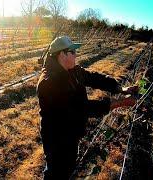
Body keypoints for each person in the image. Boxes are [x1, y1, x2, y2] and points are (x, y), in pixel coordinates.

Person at [37, 36, 137, 179]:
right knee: (56, 171)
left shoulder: (73, 70)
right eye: (72, 52)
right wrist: (119, 103)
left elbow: (93, 78)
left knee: (69, 166)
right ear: (62, 54)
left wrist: (120, 88)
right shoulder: (49, 82)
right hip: (57, 138)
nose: (76, 54)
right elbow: (81, 108)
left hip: (72, 132)